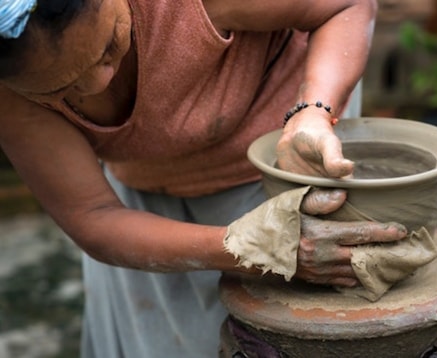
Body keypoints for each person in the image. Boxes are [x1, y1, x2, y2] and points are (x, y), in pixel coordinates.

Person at [0, 0, 409, 357]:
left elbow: (347, 6)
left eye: (108, 46)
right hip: (146, 202)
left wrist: (315, 111)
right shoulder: (10, 83)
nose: (98, 83)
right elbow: (92, 214)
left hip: (289, 156)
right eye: (62, 90)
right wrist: (247, 248)